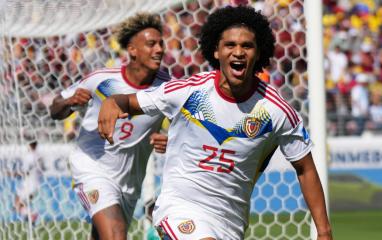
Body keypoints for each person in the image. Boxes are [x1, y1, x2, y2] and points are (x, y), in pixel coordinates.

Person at [98, 6, 332, 240]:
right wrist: (113, 102)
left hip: (230, 222)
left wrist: (324, 232)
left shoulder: (276, 111)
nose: (238, 52)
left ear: (259, 53)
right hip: (179, 207)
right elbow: (130, 101)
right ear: (217, 51)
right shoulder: (188, 91)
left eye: (247, 46)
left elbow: (305, 168)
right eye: (230, 45)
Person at [49, 13, 169, 240]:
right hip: (92, 167)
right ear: (132, 50)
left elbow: (184, 126)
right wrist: (68, 102)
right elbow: (55, 110)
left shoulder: (166, 87)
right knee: (115, 235)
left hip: (130, 181)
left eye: (161, 43)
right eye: (151, 44)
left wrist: (171, 140)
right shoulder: (101, 79)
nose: (160, 49)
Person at [14, 141, 45, 225]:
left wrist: (14, 174)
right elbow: (43, 169)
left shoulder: (29, 156)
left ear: (29, 145)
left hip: (29, 185)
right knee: (20, 203)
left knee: (18, 204)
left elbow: (25, 172)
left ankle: (33, 217)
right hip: (35, 184)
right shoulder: (39, 156)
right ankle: (32, 218)